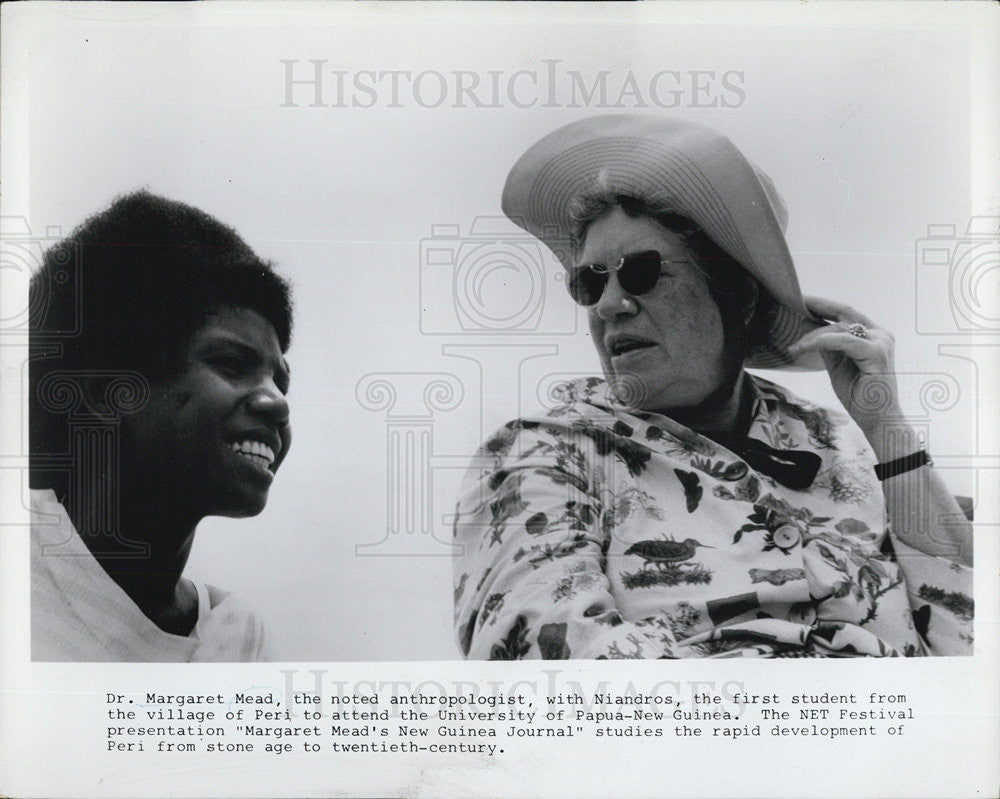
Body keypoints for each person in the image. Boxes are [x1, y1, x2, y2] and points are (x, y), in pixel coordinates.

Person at [453, 115, 973, 659]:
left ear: (738, 294)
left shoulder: (846, 444)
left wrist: (886, 428)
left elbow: (971, 641)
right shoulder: (543, 455)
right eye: (589, 282)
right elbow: (549, 675)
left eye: (641, 272)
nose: (608, 305)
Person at [29, 191, 292, 662]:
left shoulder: (238, 638)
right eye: (232, 364)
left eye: (281, 381)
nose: (277, 402)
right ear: (108, 391)